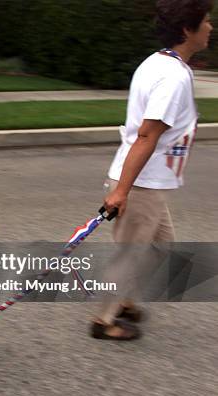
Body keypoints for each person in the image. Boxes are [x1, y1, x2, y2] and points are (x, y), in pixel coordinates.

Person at [92, 0, 213, 340]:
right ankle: (103, 320)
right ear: (188, 29)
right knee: (130, 254)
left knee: (160, 247)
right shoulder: (172, 77)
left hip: (151, 183)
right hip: (141, 183)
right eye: (206, 21)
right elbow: (146, 135)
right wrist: (121, 192)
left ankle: (125, 299)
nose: (210, 27)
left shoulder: (162, 63)